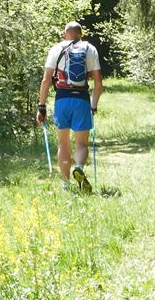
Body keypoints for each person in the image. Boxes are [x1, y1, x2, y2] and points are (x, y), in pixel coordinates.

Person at [36, 21, 102, 193]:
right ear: (80, 34)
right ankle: (79, 167)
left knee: (63, 144)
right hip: (82, 99)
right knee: (81, 144)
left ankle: (65, 185)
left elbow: (46, 80)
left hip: (62, 100)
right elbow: (98, 81)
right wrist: (93, 106)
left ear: (65, 34)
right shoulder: (90, 49)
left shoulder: (56, 49)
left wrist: (41, 106)